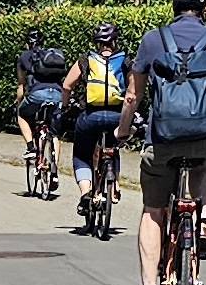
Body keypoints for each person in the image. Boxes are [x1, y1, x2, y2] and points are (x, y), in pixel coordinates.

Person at [114, 0, 206, 285]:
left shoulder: (153, 40)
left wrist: (122, 131)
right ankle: (203, 222)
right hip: (204, 136)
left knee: (153, 210)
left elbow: (132, 95)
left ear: (174, 5)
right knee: (203, 164)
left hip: (162, 138)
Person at [61, 21, 127, 217]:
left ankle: (86, 193)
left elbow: (66, 86)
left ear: (96, 42)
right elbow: (134, 90)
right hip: (117, 116)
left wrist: (65, 106)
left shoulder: (86, 60)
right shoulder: (125, 61)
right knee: (114, 147)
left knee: (82, 154)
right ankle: (113, 182)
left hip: (90, 116)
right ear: (115, 41)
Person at [16, 28, 69, 175]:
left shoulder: (24, 57)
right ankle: (54, 169)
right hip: (58, 94)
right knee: (54, 134)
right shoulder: (50, 56)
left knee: (21, 114)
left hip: (37, 95)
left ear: (27, 43)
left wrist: (20, 102)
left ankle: (31, 148)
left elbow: (21, 85)